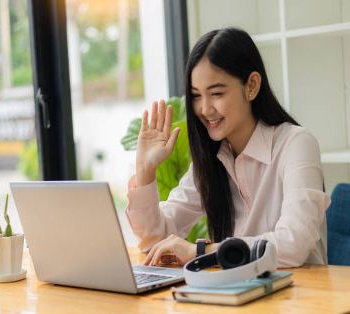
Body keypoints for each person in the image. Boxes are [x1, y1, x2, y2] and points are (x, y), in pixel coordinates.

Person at [125, 27, 331, 268]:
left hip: (301, 298)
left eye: (216, 93)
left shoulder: (296, 144)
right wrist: (145, 168)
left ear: (252, 85)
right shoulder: (212, 158)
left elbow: (293, 244)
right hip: (235, 295)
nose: (204, 109)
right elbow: (153, 242)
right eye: (196, 96)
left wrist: (203, 251)